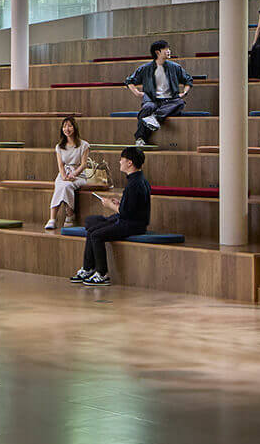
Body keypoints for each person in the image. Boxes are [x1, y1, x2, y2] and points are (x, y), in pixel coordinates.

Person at [72, 147, 151, 286]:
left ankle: (102, 274)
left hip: (132, 225)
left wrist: (110, 205)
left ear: (130, 163)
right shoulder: (137, 180)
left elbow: (126, 213)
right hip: (130, 221)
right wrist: (120, 203)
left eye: (122, 159)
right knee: (92, 228)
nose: (120, 161)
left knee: (96, 235)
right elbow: (132, 207)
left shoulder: (135, 183)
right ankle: (88, 268)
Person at [124, 39, 193, 145]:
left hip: (170, 101)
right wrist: (137, 93)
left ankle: (155, 117)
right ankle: (140, 139)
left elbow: (188, 80)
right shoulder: (145, 68)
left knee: (179, 103)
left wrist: (184, 92)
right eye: (166, 49)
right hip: (152, 100)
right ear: (157, 52)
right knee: (147, 108)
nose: (169, 51)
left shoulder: (175, 67)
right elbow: (129, 81)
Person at [45, 115, 92, 231]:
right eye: (64, 126)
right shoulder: (59, 147)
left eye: (70, 126)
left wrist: (73, 175)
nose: (67, 129)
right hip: (64, 174)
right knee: (61, 185)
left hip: (79, 174)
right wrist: (64, 176)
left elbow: (83, 164)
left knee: (66, 186)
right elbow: (60, 165)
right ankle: (54, 219)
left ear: (75, 128)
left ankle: (69, 215)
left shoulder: (84, 145)